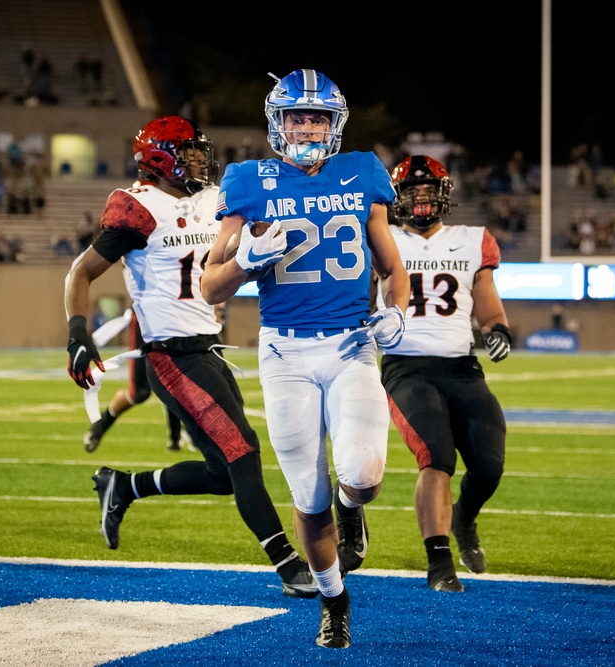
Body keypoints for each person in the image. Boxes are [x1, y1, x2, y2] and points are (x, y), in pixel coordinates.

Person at [63, 115, 317, 600]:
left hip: (209, 349)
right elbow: (80, 273)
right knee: (242, 452)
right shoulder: (137, 207)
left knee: (224, 475)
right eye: (189, 154)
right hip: (171, 357)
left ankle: (123, 487)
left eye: (201, 153)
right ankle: (288, 566)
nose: (200, 162)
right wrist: (79, 333)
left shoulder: (212, 200)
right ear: (159, 159)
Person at [200, 69, 410, 649]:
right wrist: (245, 259)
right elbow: (210, 288)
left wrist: (398, 311)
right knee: (307, 498)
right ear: (278, 122)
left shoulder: (362, 171)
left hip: (350, 344)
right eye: (297, 116)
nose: (307, 126)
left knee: (362, 476)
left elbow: (393, 267)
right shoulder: (248, 182)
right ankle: (334, 601)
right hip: (285, 352)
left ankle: (354, 509)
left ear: (334, 123)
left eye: (317, 116)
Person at [374, 156, 509, 593]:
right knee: (436, 456)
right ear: (397, 200)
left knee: (488, 467)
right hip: (406, 366)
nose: (421, 200)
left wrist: (497, 330)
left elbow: (486, 302)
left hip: (462, 368)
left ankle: (464, 520)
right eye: (412, 192)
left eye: (428, 191)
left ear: (444, 196)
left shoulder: (471, 240)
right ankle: (439, 564)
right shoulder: (381, 239)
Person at [83, 310, 193, 453]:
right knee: (140, 393)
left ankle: (179, 435)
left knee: (175, 381)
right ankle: (99, 427)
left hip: (177, 316)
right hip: (146, 316)